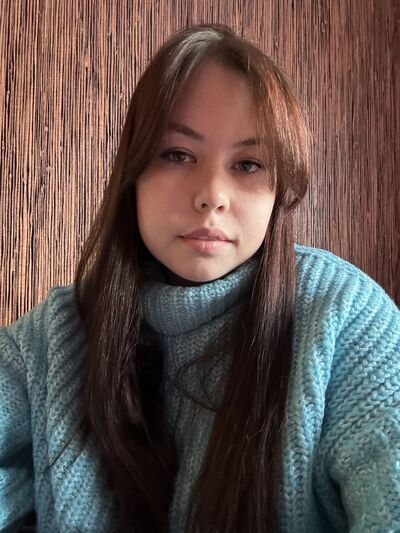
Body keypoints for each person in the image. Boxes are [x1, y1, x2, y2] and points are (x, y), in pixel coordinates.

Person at [0, 23, 399, 533]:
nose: (212, 194)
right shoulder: (55, 338)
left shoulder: (343, 315)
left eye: (248, 164)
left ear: (280, 190)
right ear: (133, 173)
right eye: (177, 154)